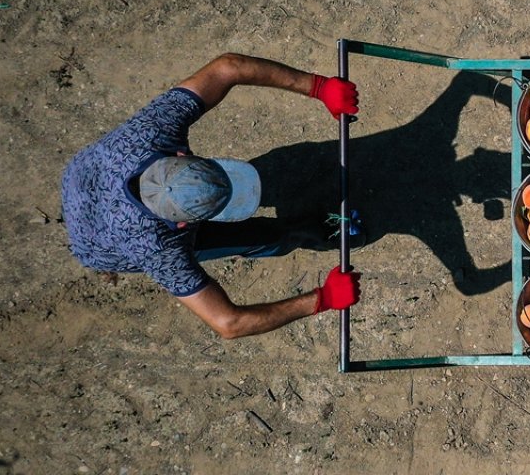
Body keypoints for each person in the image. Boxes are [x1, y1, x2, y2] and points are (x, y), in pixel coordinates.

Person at [62, 52, 362, 339]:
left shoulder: (152, 133)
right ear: (183, 225)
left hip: (82, 174)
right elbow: (228, 323)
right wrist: (320, 300)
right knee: (257, 238)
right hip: (97, 243)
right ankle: (313, 230)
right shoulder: (159, 249)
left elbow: (228, 67)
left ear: (179, 154)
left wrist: (319, 87)